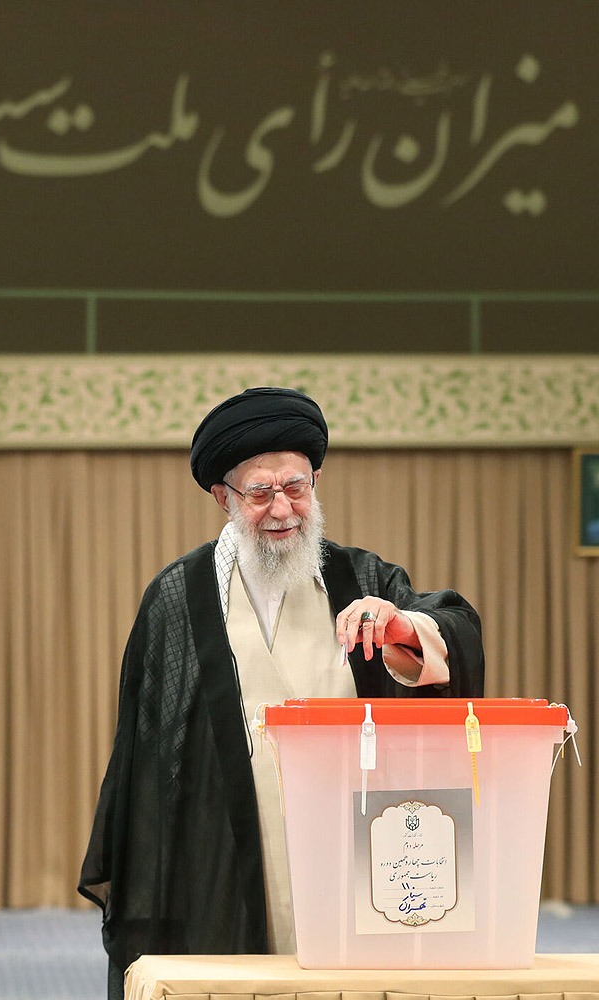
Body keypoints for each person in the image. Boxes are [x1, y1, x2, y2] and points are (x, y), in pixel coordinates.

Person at [79, 387, 485, 999]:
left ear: (315, 481)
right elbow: (149, 756)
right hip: (226, 848)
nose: (282, 509)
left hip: (351, 842)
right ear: (223, 497)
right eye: (260, 493)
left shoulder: (360, 577)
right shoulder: (177, 597)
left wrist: (401, 626)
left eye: (296, 487)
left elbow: (454, 631)